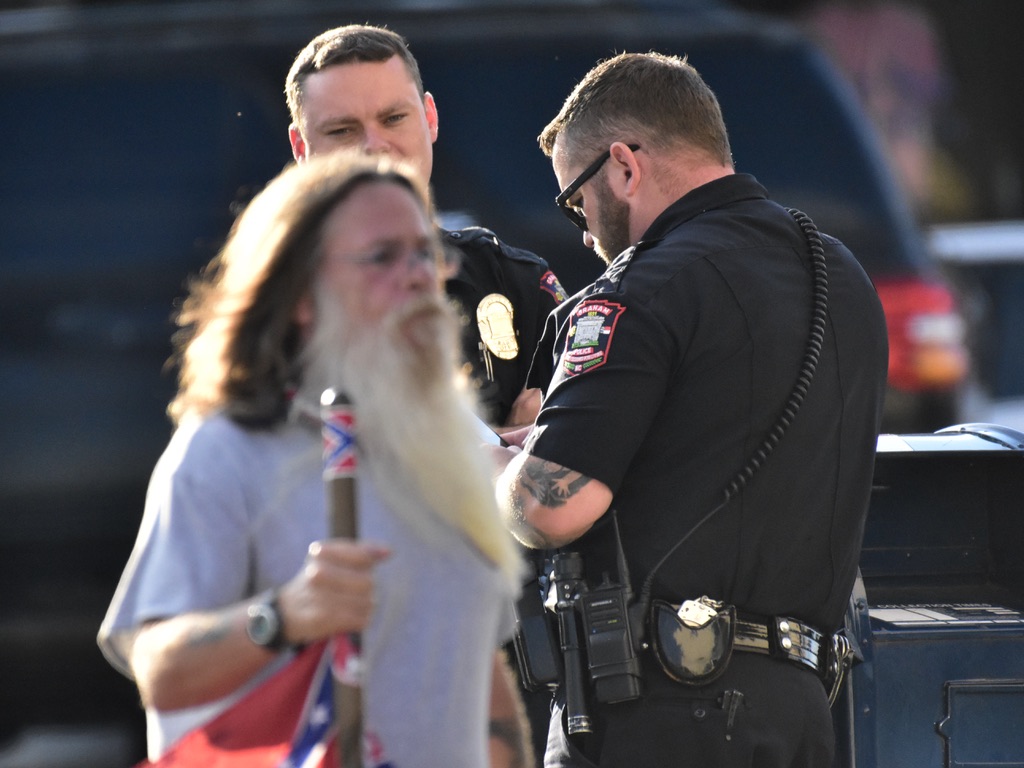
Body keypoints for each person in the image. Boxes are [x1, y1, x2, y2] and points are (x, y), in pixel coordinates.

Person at [490, 52, 889, 767]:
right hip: (803, 717)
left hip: (658, 718)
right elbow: (710, 441)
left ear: (624, 166)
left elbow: (548, 508)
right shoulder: (842, 276)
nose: (584, 232)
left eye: (575, 201)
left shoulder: (639, 290)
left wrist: (503, 468)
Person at [98, 152, 530, 767]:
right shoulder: (226, 448)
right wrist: (285, 614)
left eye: (426, 253)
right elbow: (159, 668)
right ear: (300, 293)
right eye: (383, 256)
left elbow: (473, 666)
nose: (417, 277)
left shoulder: (451, 443)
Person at [284, 24, 567, 427]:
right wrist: (505, 443)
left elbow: (586, 458)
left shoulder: (513, 282)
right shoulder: (270, 301)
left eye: (394, 118)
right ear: (301, 148)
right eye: (342, 130)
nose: (374, 145)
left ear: (430, 118)